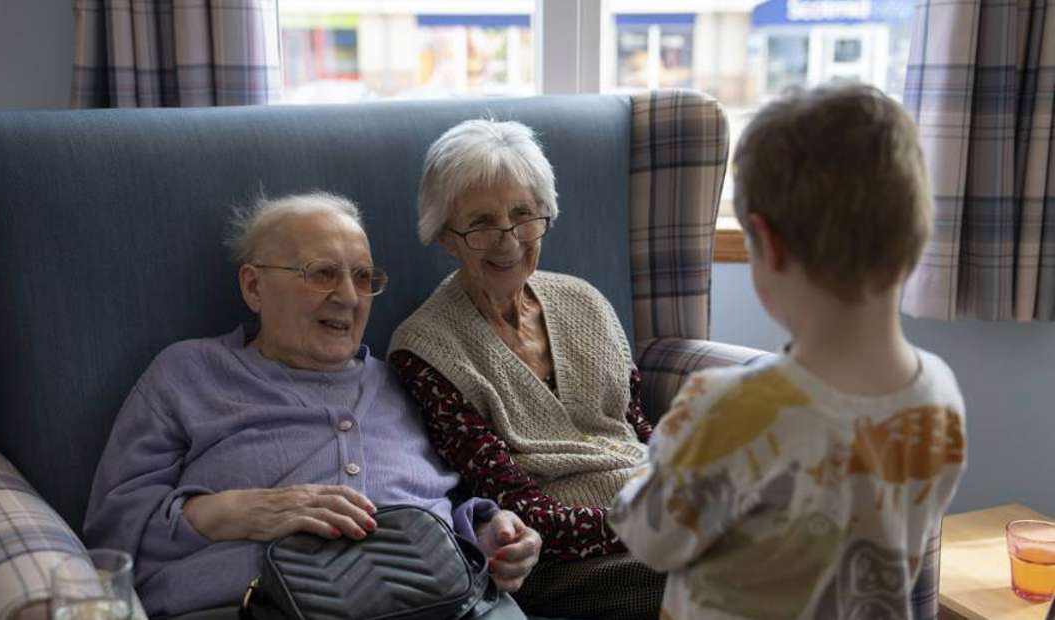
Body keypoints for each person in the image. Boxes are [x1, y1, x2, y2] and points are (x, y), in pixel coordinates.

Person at [83, 192, 541, 618]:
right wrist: (235, 512)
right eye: (322, 273)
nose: (347, 296)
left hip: (444, 605)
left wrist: (489, 534)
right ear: (254, 287)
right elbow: (114, 539)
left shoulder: (406, 376)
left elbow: (444, 497)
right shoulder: (186, 374)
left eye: (362, 277)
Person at [609, 84, 968, 619]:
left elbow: (649, 538)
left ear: (766, 243)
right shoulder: (939, 391)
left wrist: (671, 442)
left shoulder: (731, 408)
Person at [387, 119, 665, 620]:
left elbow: (636, 432)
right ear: (445, 236)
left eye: (523, 214)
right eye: (481, 223)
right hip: (557, 559)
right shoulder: (423, 349)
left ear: (545, 216)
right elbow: (521, 511)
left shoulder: (586, 301)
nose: (507, 239)